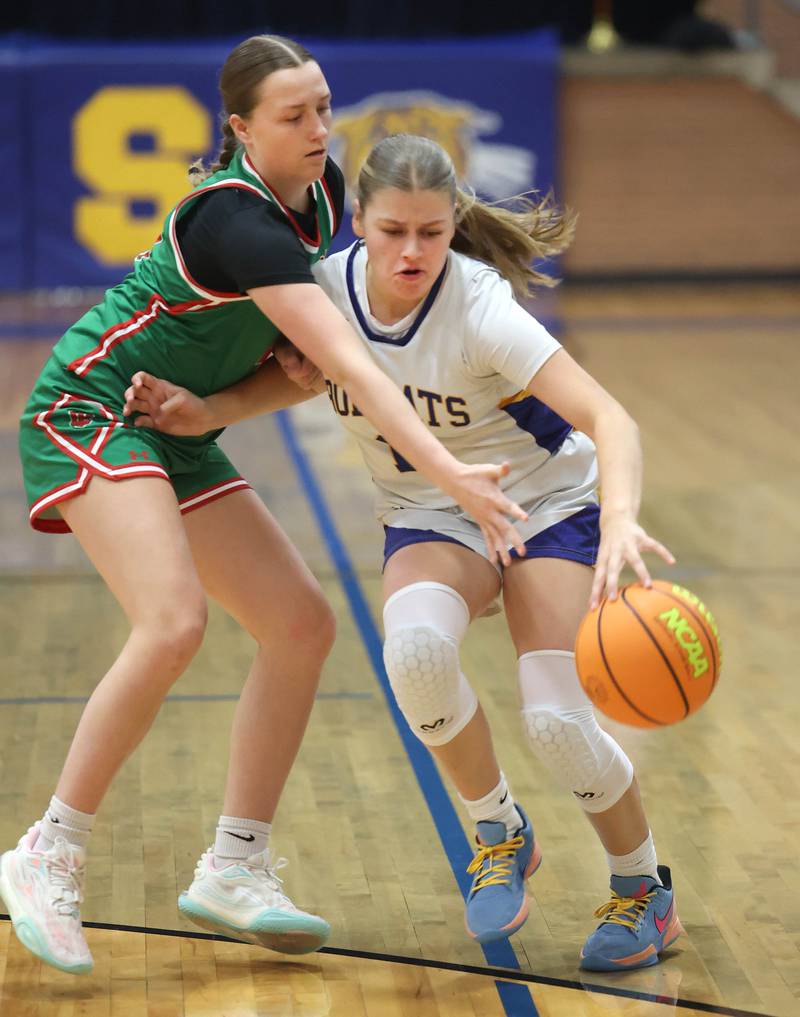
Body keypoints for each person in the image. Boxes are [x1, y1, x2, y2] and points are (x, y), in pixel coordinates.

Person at [0, 42, 529, 978]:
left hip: (173, 420)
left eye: (324, 108)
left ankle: (236, 862)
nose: (320, 130)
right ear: (242, 129)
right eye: (294, 117)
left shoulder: (319, 203)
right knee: (172, 624)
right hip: (93, 404)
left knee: (300, 624)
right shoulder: (236, 222)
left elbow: (313, 364)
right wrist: (452, 472)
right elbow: (354, 363)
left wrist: (228, 400)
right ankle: (47, 852)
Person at [123, 132, 685, 973]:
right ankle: (497, 827)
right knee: (415, 651)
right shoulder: (324, 290)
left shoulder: (481, 304)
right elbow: (304, 375)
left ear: (453, 223)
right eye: (393, 231)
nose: (413, 250)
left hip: (543, 505)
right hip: (432, 508)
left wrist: (623, 517)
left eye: (430, 230)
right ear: (358, 221)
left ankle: (643, 888)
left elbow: (613, 420)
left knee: (558, 719)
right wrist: (207, 411)